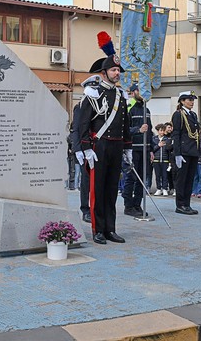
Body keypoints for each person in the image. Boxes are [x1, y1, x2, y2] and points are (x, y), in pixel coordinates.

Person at [75, 39, 132, 245]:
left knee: (111, 190)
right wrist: (86, 148)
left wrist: (128, 147)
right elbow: (83, 123)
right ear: (104, 72)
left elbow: (124, 123)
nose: (117, 73)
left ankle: (110, 229)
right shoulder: (93, 93)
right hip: (99, 146)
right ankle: (98, 230)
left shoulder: (120, 95)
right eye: (113, 70)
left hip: (116, 146)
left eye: (118, 70)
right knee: (97, 190)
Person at [122, 83, 152, 217]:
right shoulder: (129, 108)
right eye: (141, 90)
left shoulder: (146, 109)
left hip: (145, 148)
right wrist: (138, 130)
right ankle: (128, 206)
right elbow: (123, 130)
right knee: (131, 177)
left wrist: (151, 149)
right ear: (133, 92)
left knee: (142, 178)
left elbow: (150, 131)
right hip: (132, 148)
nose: (144, 93)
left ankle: (137, 204)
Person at [170, 91, 201, 215]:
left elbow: (196, 134)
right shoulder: (178, 114)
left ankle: (187, 204)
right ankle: (180, 205)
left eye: (193, 99)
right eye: (189, 99)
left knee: (189, 180)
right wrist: (177, 153)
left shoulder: (192, 114)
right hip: (184, 151)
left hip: (193, 151)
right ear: (182, 101)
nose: (192, 102)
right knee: (181, 180)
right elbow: (176, 134)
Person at [152, 124, 171, 196]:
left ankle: (165, 188)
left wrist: (169, 161)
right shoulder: (154, 139)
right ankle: (158, 188)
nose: (162, 132)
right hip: (156, 160)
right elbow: (152, 149)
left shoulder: (167, 139)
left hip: (165, 160)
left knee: (165, 175)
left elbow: (169, 150)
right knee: (157, 175)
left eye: (163, 130)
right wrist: (158, 146)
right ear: (158, 131)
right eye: (160, 130)